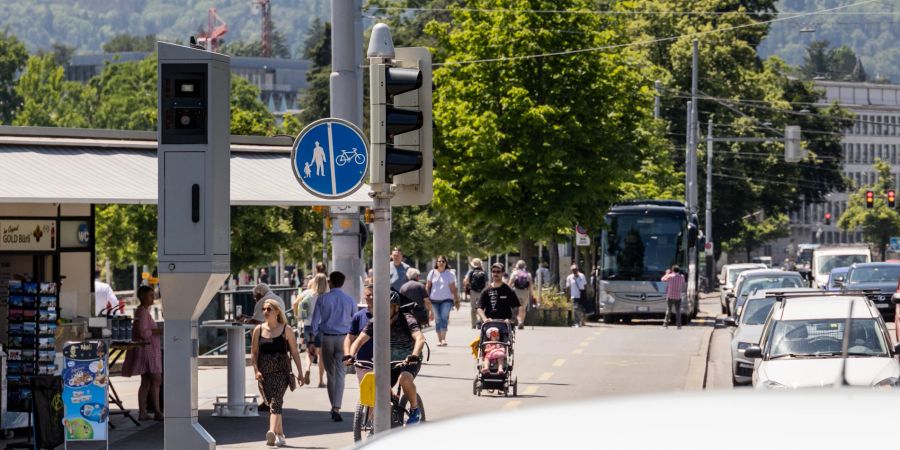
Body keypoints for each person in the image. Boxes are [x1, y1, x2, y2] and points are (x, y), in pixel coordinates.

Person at [345, 290, 426, 424]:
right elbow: (358, 341)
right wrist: (350, 355)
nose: (381, 310)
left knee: (404, 379)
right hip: (388, 359)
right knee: (376, 381)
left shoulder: (406, 318)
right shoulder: (376, 321)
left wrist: (414, 355)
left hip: (409, 358)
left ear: (395, 307)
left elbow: (420, 338)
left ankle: (414, 409)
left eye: (386, 306)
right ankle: (377, 423)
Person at [251, 299, 305, 447]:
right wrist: (256, 371)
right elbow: (254, 353)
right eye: (264, 309)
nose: (265, 312)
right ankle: (280, 434)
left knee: (275, 401)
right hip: (265, 374)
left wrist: (300, 373)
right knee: (274, 404)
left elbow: (294, 352)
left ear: (277, 311)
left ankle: (271, 432)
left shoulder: (286, 329)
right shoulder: (258, 330)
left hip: (282, 372)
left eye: (269, 309)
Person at [308, 271, 356, 421]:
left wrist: (313, 338)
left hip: (327, 338)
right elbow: (354, 320)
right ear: (342, 283)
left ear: (330, 283)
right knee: (341, 374)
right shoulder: (350, 300)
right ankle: (337, 406)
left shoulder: (323, 299)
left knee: (330, 374)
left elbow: (315, 321)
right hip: (344, 339)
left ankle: (333, 406)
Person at [121, 286, 163, 421]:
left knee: (146, 381)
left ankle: (144, 412)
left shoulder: (143, 311)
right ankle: (156, 411)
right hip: (147, 350)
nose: (153, 297)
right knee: (156, 379)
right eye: (151, 295)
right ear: (144, 297)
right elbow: (143, 332)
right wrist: (159, 331)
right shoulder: (143, 312)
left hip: (146, 349)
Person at [293, 273, 328, 387]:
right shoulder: (327, 295)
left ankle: (307, 368)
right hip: (321, 327)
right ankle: (321, 380)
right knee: (321, 354)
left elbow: (295, 303)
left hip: (308, 326)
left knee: (310, 351)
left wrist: (297, 316)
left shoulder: (307, 293)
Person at [425, 256, 459, 346]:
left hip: (446, 300)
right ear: (436, 263)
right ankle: (439, 339)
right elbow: (428, 286)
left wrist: (457, 300)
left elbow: (453, 288)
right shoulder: (432, 273)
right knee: (437, 319)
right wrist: (426, 298)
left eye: (443, 261)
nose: (441, 263)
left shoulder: (449, 274)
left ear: (446, 263)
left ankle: (443, 339)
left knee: (444, 317)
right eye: (439, 261)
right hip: (434, 299)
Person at [345, 282, 374, 382]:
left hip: (384, 364)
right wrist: (348, 354)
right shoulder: (358, 316)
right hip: (363, 363)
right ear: (364, 297)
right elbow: (349, 338)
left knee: (385, 394)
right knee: (366, 394)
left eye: (373, 295)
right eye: (368, 295)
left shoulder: (387, 315)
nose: (371, 297)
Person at [508, 260, 533, 329]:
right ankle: (521, 321)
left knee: (516, 308)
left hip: (516, 291)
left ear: (517, 266)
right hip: (525, 292)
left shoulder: (514, 273)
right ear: (525, 266)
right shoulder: (528, 274)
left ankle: (517, 320)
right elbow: (531, 285)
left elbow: (510, 283)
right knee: (523, 308)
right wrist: (531, 293)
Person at [463, 258, 487, 329]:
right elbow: (487, 283)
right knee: (481, 307)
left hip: (473, 291)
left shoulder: (471, 272)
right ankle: (481, 322)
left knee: (473, 308)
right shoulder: (484, 272)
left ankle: (473, 324)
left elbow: (465, 281)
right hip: (482, 291)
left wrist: (467, 286)